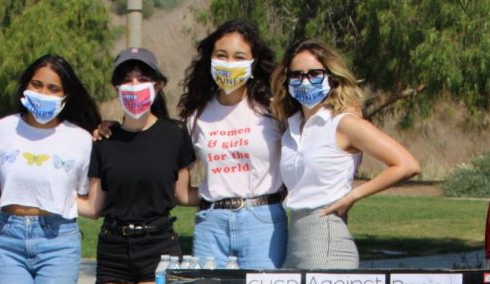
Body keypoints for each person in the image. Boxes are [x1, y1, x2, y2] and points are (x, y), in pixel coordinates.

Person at [271, 39, 420, 269]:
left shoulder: (343, 124)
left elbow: (407, 164)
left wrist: (352, 196)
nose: (305, 81)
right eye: (297, 75)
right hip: (295, 236)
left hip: (326, 233)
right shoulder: (291, 129)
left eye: (314, 74)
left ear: (331, 77)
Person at [81, 48, 195, 284]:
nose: (134, 86)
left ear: (158, 85)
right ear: (116, 88)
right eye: (127, 80)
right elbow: (93, 206)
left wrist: (231, 195)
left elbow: (183, 195)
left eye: (143, 80)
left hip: (159, 244)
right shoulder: (104, 139)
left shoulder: (175, 134)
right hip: (113, 248)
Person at [0, 55, 99, 284]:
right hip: (9, 238)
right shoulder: (3, 129)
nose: (43, 93)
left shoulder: (81, 138)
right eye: (37, 85)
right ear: (25, 86)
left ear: (66, 95)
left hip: (58, 239)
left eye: (53, 88)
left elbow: (87, 196)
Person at [178, 20, 286, 268]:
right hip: (211, 223)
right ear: (210, 59)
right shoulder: (197, 115)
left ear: (253, 62)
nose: (229, 63)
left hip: (263, 220)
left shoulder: (272, 109)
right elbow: (180, 186)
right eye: (221, 55)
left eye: (239, 57)